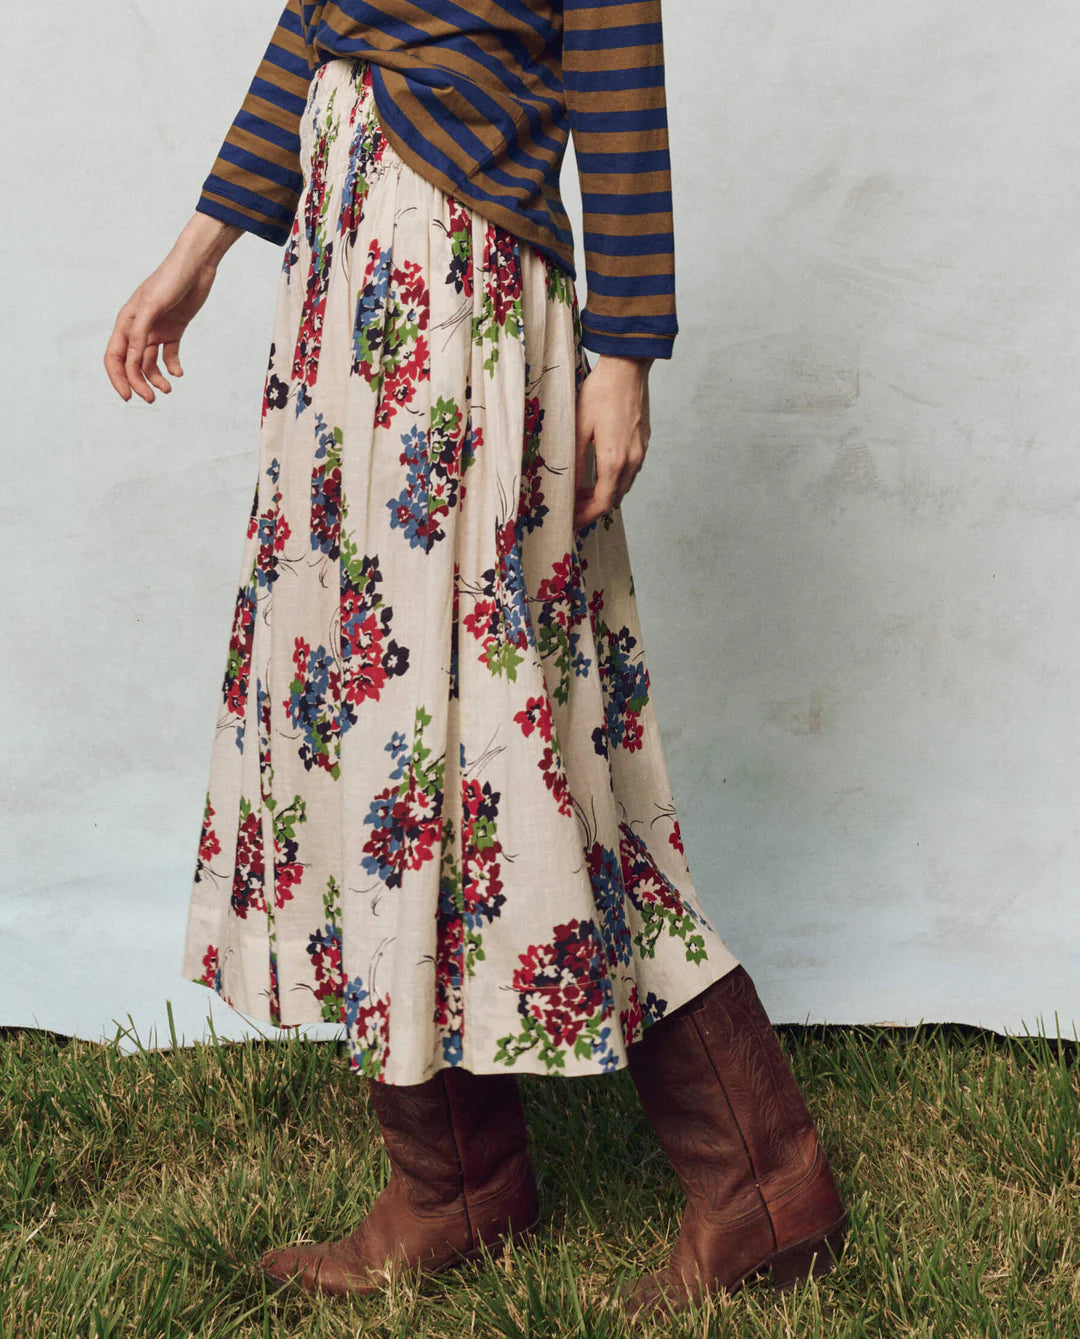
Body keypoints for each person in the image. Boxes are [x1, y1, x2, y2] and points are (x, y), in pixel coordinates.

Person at [104, 0, 848, 1319]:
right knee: (372, 731)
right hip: (345, 289)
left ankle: (764, 1184)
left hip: (457, 290)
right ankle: (453, 1179)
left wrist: (625, 350)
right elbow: (318, 25)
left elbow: (616, 53)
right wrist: (198, 249)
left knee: (531, 743)